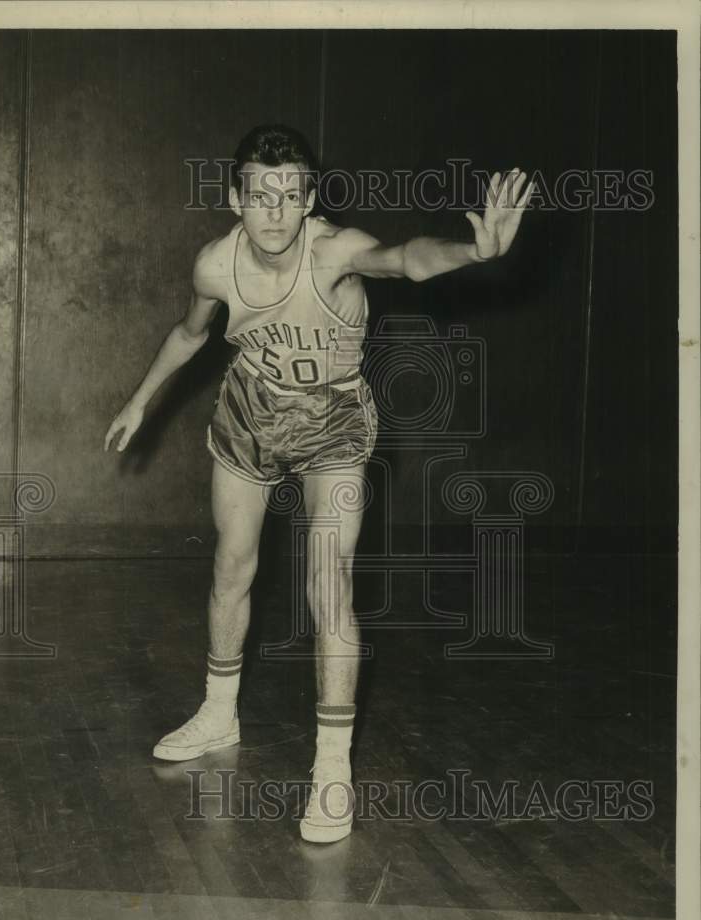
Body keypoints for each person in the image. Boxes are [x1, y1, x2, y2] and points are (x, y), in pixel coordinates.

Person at [104, 123, 533, 843]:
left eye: (289, 194)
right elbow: (189, 334)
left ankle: (332, 769)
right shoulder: (215, 265)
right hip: (248, 414)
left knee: (328, 583)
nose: (274, 209)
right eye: (259, 194)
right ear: (236, 198)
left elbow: (406, 262)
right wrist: (140, 399)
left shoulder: (333, 252)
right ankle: (218, 710)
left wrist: (474, 249)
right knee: (231, 565)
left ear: (308, 201)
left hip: (332, 422)